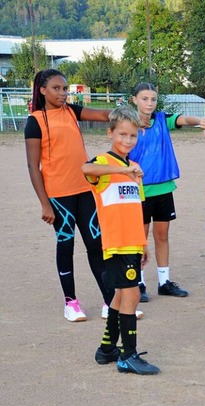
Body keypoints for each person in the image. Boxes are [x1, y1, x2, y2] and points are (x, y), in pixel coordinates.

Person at [25, 68, 114, 322]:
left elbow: (104, 115)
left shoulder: (72, 111)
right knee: (66, 245)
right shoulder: (35, 121)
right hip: (58, 197)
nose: (63, 93)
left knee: (96, 245)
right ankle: (71, 302)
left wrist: (128, 115)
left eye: (65, 89)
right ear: (42, 90)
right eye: (56, 88)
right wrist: (45, 204)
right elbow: (33, 167)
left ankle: (110, 301)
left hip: (85, 190)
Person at [84, 107, 159, 375]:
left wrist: (143, 243)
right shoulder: (104, 164)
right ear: (110, 133)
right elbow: (85, 168)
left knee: (121, 294)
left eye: (133, 136)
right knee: (132, 295)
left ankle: (106, 349)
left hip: (132, 242)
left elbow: (137, 209)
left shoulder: (135, 168)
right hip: (115, 243)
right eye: (123, 135)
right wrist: (119, 169)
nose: (128, 141)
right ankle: (128, 355)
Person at [129, 82, 205, 302]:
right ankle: (138, 283)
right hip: (138, 189)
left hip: (163, 188)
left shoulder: (162, 119)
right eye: (145, 98)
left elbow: (184, 120)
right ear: (134, 100)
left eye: (153, 99)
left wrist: (200, 121)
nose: (149, 103)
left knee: (162, 235)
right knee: (140, 238)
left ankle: (164, 281)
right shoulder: (128, 123)